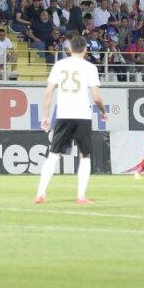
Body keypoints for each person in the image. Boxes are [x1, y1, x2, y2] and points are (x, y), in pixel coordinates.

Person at [35, 34, 107, 205]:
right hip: (82, 115)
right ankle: (81, 196)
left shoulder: (59, 65)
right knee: (85, 156)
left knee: (53, 155)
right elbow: (97, 97)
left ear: (69, 49)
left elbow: (48, 92)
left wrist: (45, 116)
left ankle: (40, 194)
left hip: (64, 114)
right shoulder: (90, 67)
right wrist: (103, 111)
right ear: (86, 49)